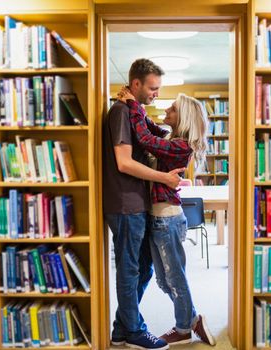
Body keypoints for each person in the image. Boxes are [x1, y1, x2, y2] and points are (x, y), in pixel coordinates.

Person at [117, 88, 216, 346]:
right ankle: (192, 319)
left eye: (171, 109)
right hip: (158, 217)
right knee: (163, 279)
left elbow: (145, 139)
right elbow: (150, 129)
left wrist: (133, 106)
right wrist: (136, 107)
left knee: (175, 278)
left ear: (182, 117)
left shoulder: (180, 146)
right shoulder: (172, 138)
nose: (166, 111)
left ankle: (184, 328)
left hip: (167, 219)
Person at [103, 58, 184, 350]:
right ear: (135, 84)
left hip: (136, 202)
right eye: (152, 88)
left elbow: (153, 136)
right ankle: (133, 331)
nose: (156, 94)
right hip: (125, 203)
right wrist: (164, 176)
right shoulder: (120, 112)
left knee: (144, 266)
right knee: (130, 268)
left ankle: (122, 327)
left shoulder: (132, 111)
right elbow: (124, 163)